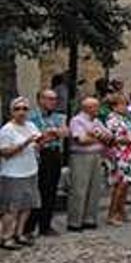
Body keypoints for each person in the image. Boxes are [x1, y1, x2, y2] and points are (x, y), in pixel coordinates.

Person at [0, 97, 46, 250]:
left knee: (27, 206)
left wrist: (44, 139)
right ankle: (6, 236)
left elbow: (38, 143)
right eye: (17, 109)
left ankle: (19, 233)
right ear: (12, 111)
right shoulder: (7, 130)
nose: (21, 112)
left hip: (30, 170)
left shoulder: (31, 125)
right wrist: (25, 143)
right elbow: (5, 152)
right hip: (13, 173)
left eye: (25, 109)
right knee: (11, 208)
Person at [24, 89, 67, 237]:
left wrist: (51, 135)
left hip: (54, 154)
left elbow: (63, 132)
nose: (53, 102)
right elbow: (38, 139)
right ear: (40, 100)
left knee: (51, 190)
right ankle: (28, 226)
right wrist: (50, 135)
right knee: (37, 190)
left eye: (54, 99)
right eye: (49, 99)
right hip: (39, 155)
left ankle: (45, 225)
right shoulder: (32, 117)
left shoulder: (58, 117)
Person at [68, 97, 113, 232]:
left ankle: (90, 218)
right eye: (95, 107)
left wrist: (95, 136)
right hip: (81, 156)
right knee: (79, 189)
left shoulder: (96, 121)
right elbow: (81, 139)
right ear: (88, 108)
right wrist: (98, 137)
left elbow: (109, 136)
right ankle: (75, 221)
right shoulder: (77, 120)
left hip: (97, 155)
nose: (97, 110)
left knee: (94, 188)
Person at [104, 93, 131, 226]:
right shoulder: (112, 119)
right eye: (122, 104)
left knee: (126, 184)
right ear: (114, 106)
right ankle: (112, 213)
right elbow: (112, 138)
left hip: (130, 153)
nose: (126, 107)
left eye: (126, 104)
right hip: (120, 154)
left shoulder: (126, 118)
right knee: (119, 185)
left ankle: (121, 211)